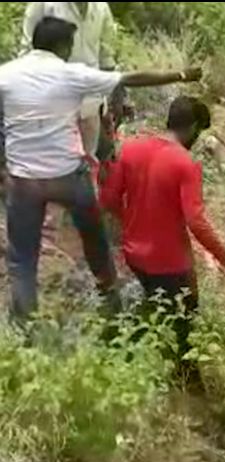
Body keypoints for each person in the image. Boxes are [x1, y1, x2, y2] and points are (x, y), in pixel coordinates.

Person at [1, 17, 201, 324]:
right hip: (67, 176)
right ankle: (110, 301)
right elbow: (130, 78)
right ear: (63, 47)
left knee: (23, 262)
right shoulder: (70, 73)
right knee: (95, 238)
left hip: (24, 180)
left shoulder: (6, 74)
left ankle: (25, 328)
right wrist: (182, 74)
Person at [99, 96, 225, 380]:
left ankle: (139, 360)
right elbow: (196, 222)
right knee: (185, 328)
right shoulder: (185, 164)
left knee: (156, 306)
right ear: (191, 128)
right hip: (170, 262)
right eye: (199, 132)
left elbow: (108, 198)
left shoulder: (131, 148)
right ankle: (189, 387)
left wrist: (132, 222)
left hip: (134, 254)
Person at [23, 2, 118, 159]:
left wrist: (111, 102)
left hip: (90, 101)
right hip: (53, 99)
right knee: (52, 159)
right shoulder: (43, 5)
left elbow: (106, 57)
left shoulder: (101, 7)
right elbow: (28, 51)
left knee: (87, 161)